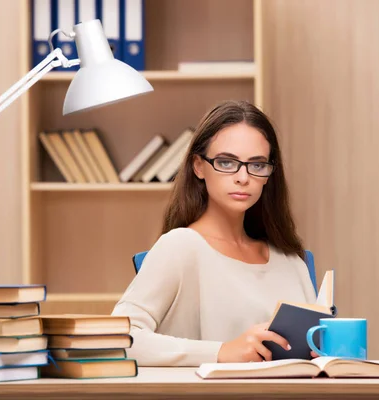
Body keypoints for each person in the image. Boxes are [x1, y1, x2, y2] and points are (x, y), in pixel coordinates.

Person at [111, 100, 316, 367]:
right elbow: (119, 339)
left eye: (257, 165)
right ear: (198, 166)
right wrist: (221, 352)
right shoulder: (180, 247)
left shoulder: (291, 262)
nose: (243, 177)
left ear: (269, 174)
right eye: (227, 162)